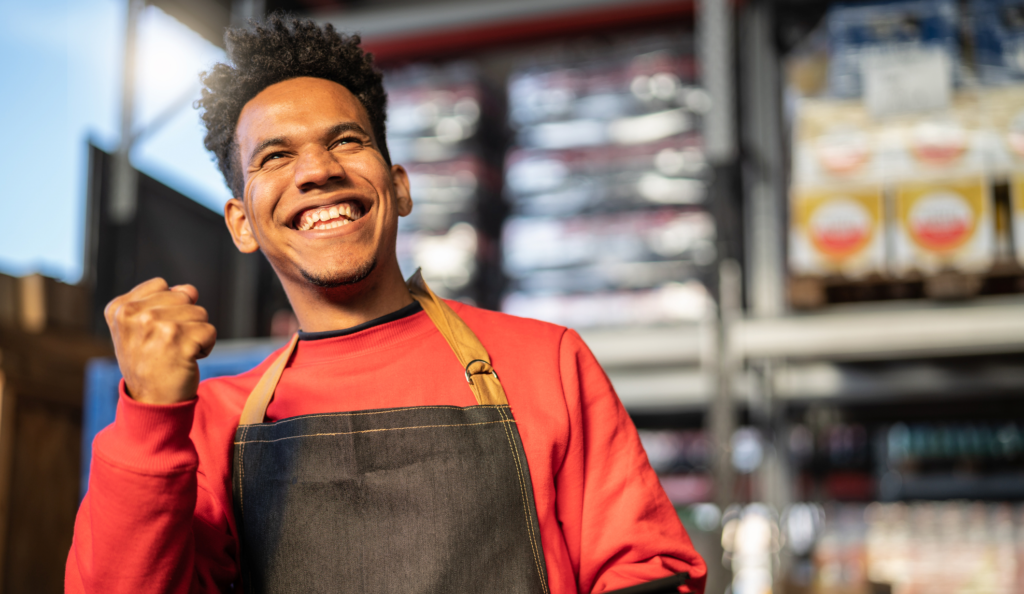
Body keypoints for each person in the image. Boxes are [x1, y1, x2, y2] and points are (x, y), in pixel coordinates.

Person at [65, 15, 707, 594]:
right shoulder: (209, 425)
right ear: (241, 223)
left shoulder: (547, 363)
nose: (317, 170)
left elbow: (650, 575)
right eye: (276, 155)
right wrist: (149, 416)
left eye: (345, 141)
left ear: (398, 187)